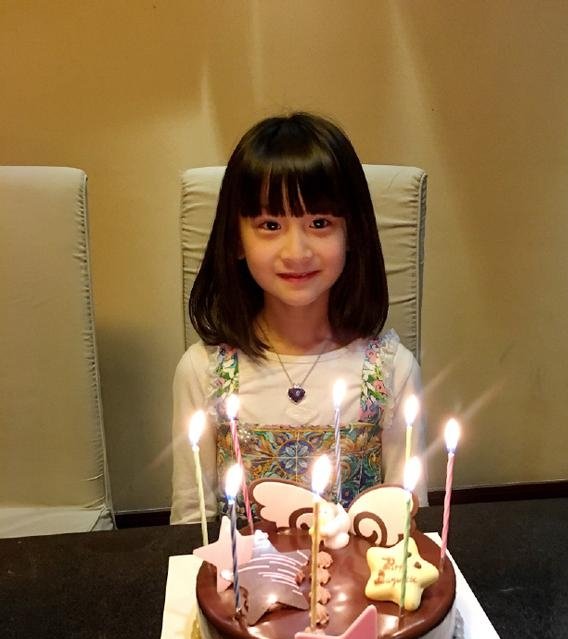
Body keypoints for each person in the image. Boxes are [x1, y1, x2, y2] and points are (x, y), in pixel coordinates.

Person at [171, 112, 427, 524]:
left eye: (319, 223)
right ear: (236, 239)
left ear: (352, 233)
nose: (297, 252)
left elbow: (405, 522)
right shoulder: (204, 372)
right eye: (270, 224)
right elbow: (191, 522)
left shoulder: (391, 371)